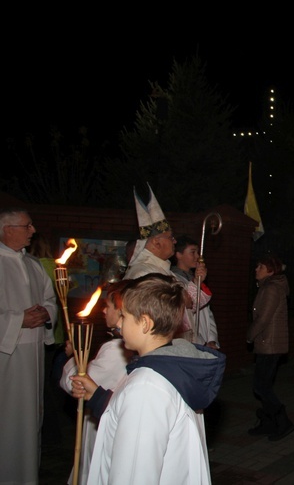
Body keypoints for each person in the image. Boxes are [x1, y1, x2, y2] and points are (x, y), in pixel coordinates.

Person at [69, 273, 226, 484]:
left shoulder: (146, 388)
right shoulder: (170, 366)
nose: (119, 324)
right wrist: (98, 397)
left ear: (144, 323)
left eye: (124, 316)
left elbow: (134, 473)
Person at [0, 208, 58, 484]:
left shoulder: (34, 264)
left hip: (33, 356)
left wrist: (47, 313)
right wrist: (17, 320)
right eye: (27, 225)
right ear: (7, 229)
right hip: (6, 357)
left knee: (31, 422)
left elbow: (50, 299)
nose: (33, 230)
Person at [59, 279, 132, 485]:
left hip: (103, 427)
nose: (103, 311)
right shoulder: (122, 346)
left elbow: (78, 382)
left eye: (107, 306)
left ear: (121, 311)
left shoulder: (116, 350)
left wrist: (74, 356)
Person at [125, 185, 210, 341]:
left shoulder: (163, 270)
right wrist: (179, 297)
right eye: (170, 237)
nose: (174, 241)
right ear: (156, 243)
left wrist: (197, 281)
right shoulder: (143, 273)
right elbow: (160, 313)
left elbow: (190, 304)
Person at [246, 253, 294, 440]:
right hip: (268, 343)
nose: (256, 269)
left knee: (261, 386)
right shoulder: (269, 286)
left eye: (260, 266)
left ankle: (283, 421)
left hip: (270, 343)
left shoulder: (272, 289)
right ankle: (268, 422)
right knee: (262, 385)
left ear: (270, 271)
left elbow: (263, 318)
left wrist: (250, 335)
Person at [170, 235, 220, 349]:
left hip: (205, 339)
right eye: (193, 252)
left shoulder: (196, 278)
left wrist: (212, 339)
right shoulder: (173, 279)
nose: (197, 256)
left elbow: (207, 312)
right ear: (179, 255)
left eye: (198, 252)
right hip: (189, 340)